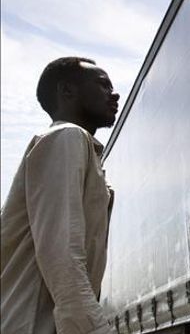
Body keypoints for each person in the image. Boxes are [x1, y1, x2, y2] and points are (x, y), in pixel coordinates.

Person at [1, 57, 119, 334]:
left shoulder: (78, 146)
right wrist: (92, 329)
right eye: (103, 85)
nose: (114, 93)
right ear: (67, 91)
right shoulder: (66, 137)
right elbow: (61, 250)